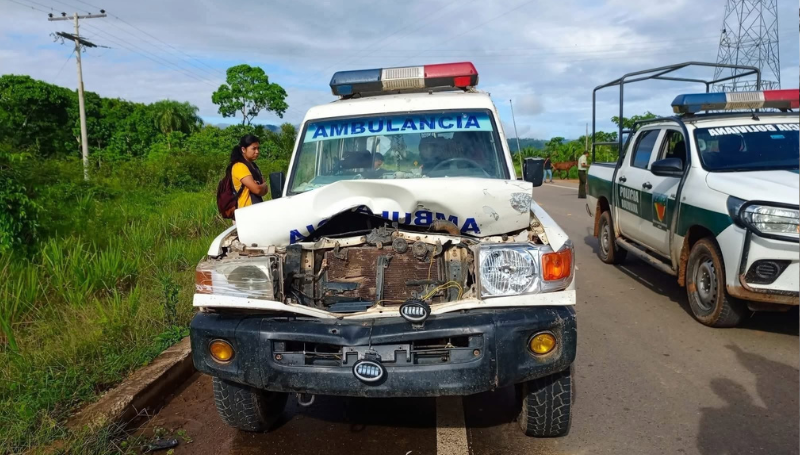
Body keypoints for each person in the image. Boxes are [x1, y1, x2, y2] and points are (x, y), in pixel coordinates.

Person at [230, 134, 268, 209]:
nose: (257, 152)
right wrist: (262, 186)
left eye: (258, 148)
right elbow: (257, 190)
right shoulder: (239, 166)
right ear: (243, 149)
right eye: (253, 149)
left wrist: (261, 187)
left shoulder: (253, 166)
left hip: (256, 208)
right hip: (246, 210)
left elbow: (265, 191)